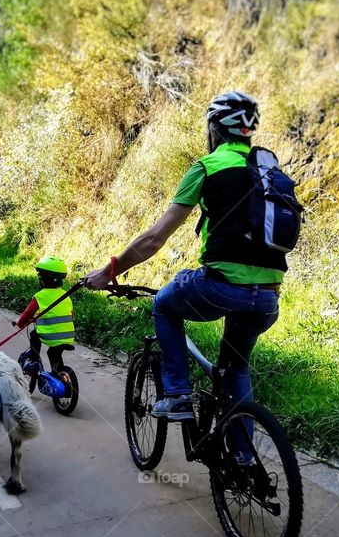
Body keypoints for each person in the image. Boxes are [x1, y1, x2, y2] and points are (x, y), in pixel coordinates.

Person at [84, 91, 282, 453]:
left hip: (220, 288)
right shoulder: (269, 171)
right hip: (268, 296)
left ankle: (176, 394)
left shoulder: (208, 167)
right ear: (248, 131)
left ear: (214, 128)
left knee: (164, 304)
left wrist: (110, 271)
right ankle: (242, 460)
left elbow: (153, 240)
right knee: (235, 369)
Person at [14, 257, 76, 376]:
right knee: (54, 353)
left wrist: (19, 323)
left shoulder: (40, 296)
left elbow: (27, 313)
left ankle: (34, 361)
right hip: (68, 335)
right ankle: (59, 373)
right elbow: (70, 315)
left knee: (34, 334)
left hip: (52, 336)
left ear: (42, 280)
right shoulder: (66, 295)